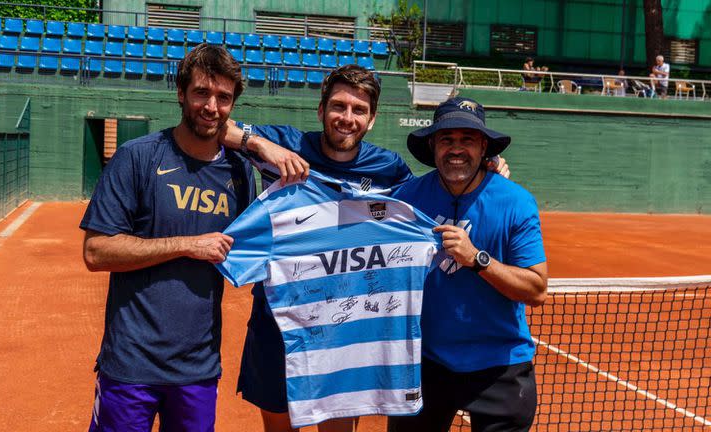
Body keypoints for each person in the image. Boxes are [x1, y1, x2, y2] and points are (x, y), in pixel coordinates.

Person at [216, 65, 509, 432]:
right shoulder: (286, 144)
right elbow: (216, 125)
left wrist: (485, 165)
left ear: (371, 120)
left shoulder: (389, 170)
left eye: (359, 110)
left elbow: (436, 189)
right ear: (321, 110)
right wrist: (260, 145)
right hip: (279, 322)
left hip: (348, 330)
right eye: (338, 106)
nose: (347, 118)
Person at [79, 43, 257, 432]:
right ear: (181, 93)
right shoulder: (137, 157)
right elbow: (96, 251)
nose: (211, 106)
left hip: (197, 367)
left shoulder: (241, 173)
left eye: (223, 97)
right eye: (201, 93)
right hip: (130, 364)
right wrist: (187, 245)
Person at [387, 97, 548, 432]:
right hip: (426, 363)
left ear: (484, 147)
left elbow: (536, 289)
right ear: (432, 145)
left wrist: (478, 259)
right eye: (446, 139)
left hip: (500, 367)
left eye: (467, 140)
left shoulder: (516, 202)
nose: (456, 149)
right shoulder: (406, 199)